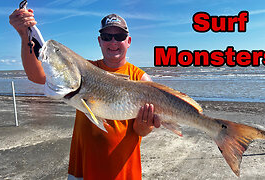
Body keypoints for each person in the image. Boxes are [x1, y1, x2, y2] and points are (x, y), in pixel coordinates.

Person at [9, 8, 161, 180]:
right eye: (106, 37)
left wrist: (145, 124)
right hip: (83, 169)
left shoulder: (141, 79)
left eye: (119, 36)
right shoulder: (84, 70)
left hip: (124, 172)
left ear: (129, 41)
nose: (113, 42)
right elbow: (36, 75)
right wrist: (24, 35)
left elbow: (141, 131)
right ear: (99, 41)